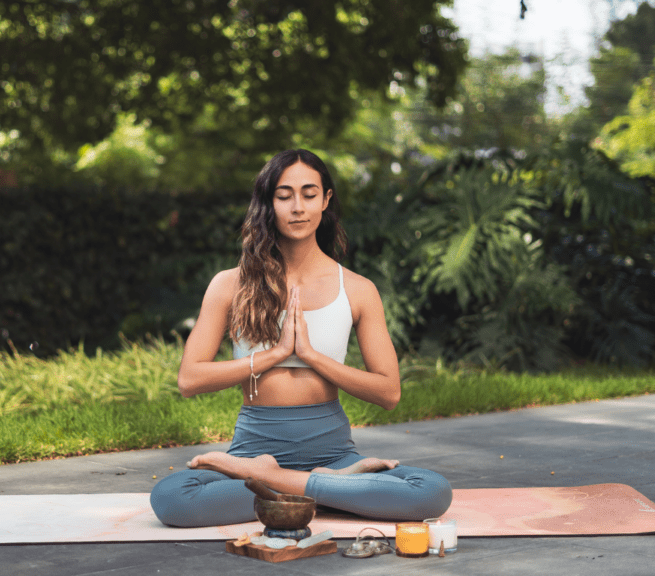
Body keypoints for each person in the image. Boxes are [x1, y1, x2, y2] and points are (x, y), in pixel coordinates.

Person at [150, 149, 452, 527]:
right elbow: (190, 380)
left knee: (432, 491)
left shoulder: (357, 290)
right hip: (253, 447)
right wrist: (275, 354)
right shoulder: (230, 285)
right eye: (284, 195)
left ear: (325, 201)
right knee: (172, 499)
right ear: (268, 202)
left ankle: (276, 482)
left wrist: (310, 354)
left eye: (309, 194)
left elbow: (389, 393)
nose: (297, 207)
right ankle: (335, 492)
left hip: (332, 452)